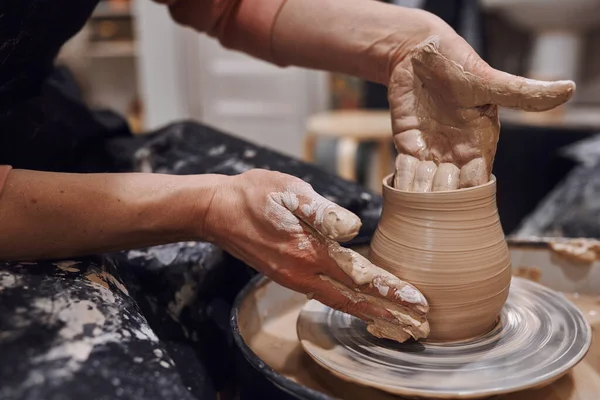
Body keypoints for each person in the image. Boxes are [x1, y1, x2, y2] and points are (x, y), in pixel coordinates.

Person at [0, 0, 573, 383]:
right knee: (111, 377)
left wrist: (406, 44)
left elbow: (231, 5)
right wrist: (204, 205)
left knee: (346, 228)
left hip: (43, 120)